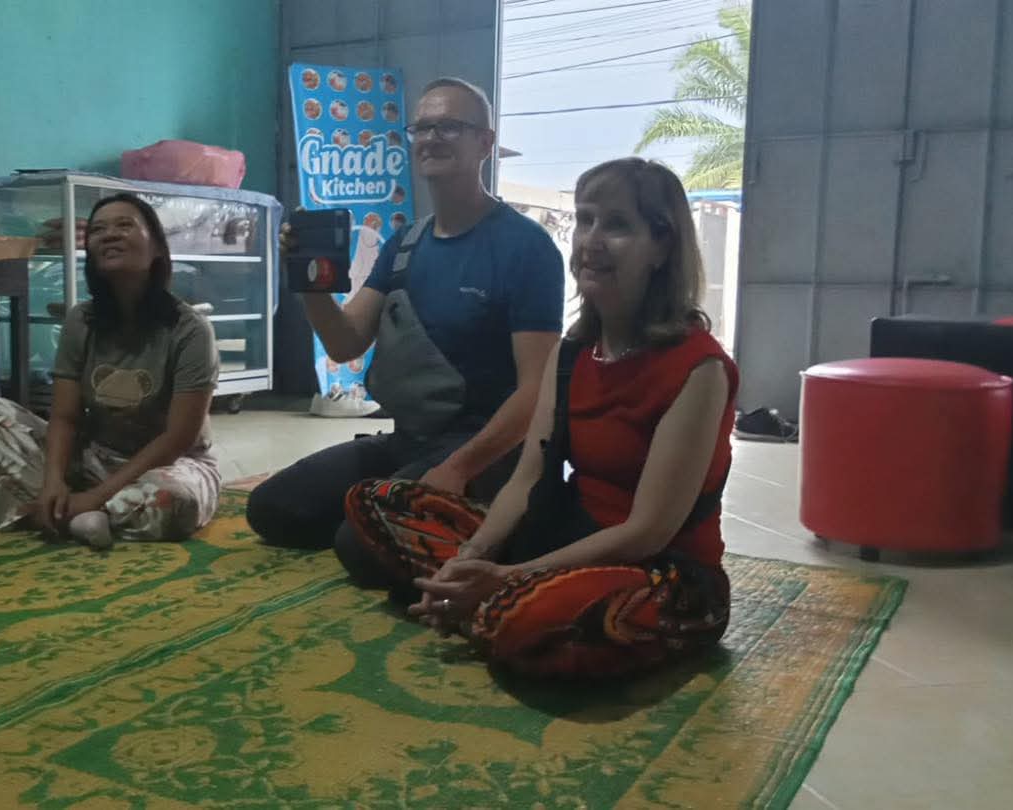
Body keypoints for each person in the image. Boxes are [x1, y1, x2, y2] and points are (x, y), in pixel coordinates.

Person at [343, 158, 738, 678]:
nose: (592, 240)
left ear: (662, 247)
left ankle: (493, 604)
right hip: (567, 538)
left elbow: (647, 531)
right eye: (585, 219)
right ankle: (479, 596)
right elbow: (527, 478)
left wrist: (509, 576)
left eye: (617, 225)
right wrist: (473, 555)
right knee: (374, 503)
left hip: (662, 573)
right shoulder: (573, 353)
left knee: (526, 624)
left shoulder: (698, 368)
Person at [247, 77, 565, 560]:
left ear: (485, 143)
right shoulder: (405, 244)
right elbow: (345, 343)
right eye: (422, 128)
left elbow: (537, 390)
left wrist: (459, 468)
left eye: (450, 126)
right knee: (273, 509)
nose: (432, 138)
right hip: (408, 440)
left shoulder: (527, 248)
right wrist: (309, 283)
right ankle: (407, 510)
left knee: (358, 547)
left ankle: (491, 517)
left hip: (491, 452)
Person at [0, 192, 221, 548]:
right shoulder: (80, 321)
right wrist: (53, 481)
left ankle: (55, 514)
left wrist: (97, 495)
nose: (109, 234)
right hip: (94, 459)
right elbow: (65, 417)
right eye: (98, 230)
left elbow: (178, 439)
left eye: (124, 225)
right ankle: (76, 514)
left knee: (173, 500)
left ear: (157, 249)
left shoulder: (190, 330)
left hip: (171, 465)